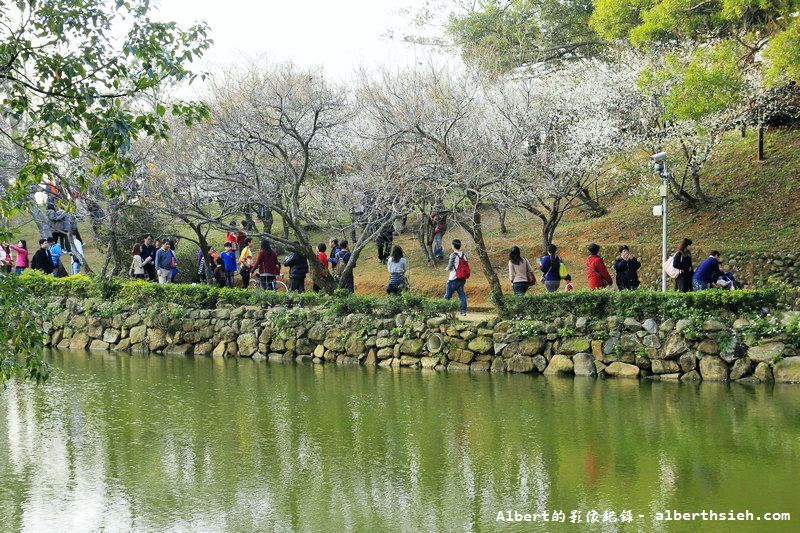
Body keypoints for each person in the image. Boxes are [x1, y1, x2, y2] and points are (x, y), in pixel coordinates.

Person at [444, 239, 468, 315]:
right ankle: (463, 311)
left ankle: (443, 310)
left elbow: (450, 267)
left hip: (453, 278)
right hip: (462, 278)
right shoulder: (463, 255)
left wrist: (446, 269)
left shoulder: (453, 255)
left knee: (447, 296)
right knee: (462, 295)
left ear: (453, 246)